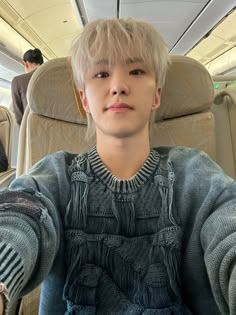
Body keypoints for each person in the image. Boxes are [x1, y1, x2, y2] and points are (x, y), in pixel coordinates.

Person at [0, 18, 236, 315]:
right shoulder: (56, 175)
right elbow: (20, 214)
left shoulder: (194, 173)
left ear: (156, 95)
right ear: (84, 98)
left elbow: (229, 223)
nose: (119, 86)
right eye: (101, 73)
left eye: (136, 71)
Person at [11, 48, 44, 125]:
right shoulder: (53, 77)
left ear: (25, 63)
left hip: (31, 130)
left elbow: (19, 117)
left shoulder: (17, 81)